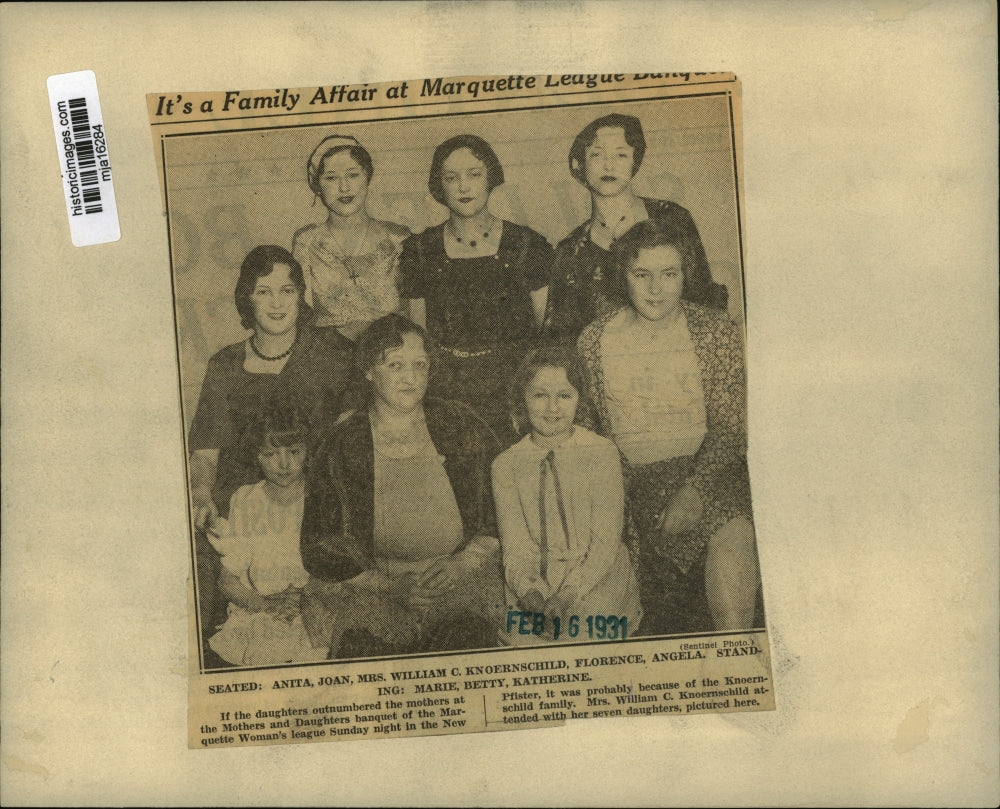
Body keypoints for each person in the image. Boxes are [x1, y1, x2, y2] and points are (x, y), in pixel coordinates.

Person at [578, 218, 759, 634]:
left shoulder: (716, 331)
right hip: (633, 482)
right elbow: (588, 434)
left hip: (712, 472)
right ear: (623, 278)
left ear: (685, 276)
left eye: (669, 274)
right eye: (642, 275)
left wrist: (695, 488)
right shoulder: (594, 339)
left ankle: (738, 662)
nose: (655, 289)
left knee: (733, 538)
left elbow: (733, 425)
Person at [299, 314, 505, 657]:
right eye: (395, 365)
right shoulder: (342, 443)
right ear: (368, 371)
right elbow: (321, 545)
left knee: (463, 646)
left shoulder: (460, 425)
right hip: (377, 589)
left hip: (461, 579)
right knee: (363, 659)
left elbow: (500, 514)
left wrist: (461, 565)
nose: (410, 377)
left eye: (420, 365)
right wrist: (392, 587)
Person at [187, 245, 355, 648]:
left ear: (301, 295)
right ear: (247, 298)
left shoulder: (332, 354)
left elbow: (352, 438)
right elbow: (205, 452)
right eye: (264, 292)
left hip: (314, 498)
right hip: (241, 506)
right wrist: (201, 492)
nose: (277, 303)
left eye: (287, 290)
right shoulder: (224, 365)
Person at [398, 134, 552, 443]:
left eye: (474, 175)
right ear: (439, 185)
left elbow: (545, 334)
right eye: (452, 178)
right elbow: (418, 338)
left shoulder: (526, 245)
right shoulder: (420, 249)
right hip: (446, 395)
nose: (464, 187)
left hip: (514, 393)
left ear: (491, 178)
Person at [492, 345, 641, 645]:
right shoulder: (505, 465)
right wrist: (532, 595)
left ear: (579, 398)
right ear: (522, 398)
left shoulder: (601, 453)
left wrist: (568, 595)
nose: (552, 408)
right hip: (534, 580)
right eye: (539, 395)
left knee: (584, 640)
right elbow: (516, 549)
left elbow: (604, 545)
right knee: (523, 643)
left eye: (564, 395)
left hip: (596, 575)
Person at [545, 113, 728, 342]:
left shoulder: (672, 218)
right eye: (596, 154)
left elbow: (704, 303)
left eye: (621, 154)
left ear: (635, 162)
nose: (608, 165)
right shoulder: (569, 253)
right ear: (579, 165)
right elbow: (561, 341)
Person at [206, 399, 328, 666]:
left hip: (315, 604)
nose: (284, 464)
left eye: (294, 452)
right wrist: (262, 604)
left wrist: (307, 599)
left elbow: (338, 568)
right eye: (271, 454)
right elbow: (227, 581)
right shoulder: (246, 500)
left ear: (308, 451)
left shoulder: (321, 497)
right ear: (256, 455)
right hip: (260, 608)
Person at [293, 134, 411, 342]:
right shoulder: (306, 242)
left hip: (390, 359)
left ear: (367, 177)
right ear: (317, 185)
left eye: (353, 175)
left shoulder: (398, 238)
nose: (344, 187)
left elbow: (415, 317)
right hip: (328, 359)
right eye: (331, 178)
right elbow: (300, 320)